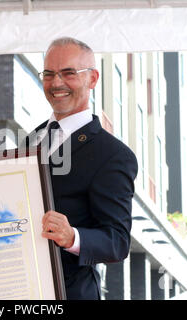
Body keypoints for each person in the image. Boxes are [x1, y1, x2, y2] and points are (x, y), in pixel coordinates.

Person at [26, 37, 138, 299]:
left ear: (93, 79)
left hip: (70, 292)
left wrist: (72, 236)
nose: (56, 83)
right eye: (49, 74)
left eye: (68, 73)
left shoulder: (113, 155)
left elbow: (118, 242)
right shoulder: (33, 138)